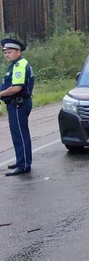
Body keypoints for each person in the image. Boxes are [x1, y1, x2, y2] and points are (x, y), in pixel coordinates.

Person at [1, 38, 35, 176]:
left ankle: (23, 165)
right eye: (5, 53)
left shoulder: (20, 66)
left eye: (9, 52)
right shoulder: (16, 65)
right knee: (18, 134)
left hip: (18, 103)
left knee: (20, 134)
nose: (6, 55)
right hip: (16, 104)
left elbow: (16, 88)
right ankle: (21, 161)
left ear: (18, 52)